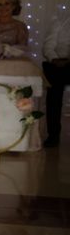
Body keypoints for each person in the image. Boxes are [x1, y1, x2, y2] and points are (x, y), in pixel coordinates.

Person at [42, 13, 70, 147]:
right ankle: (53, 135)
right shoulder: (60, 21)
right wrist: (54, 59)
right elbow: (48, 46)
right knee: (53, 97)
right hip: (60, 64)